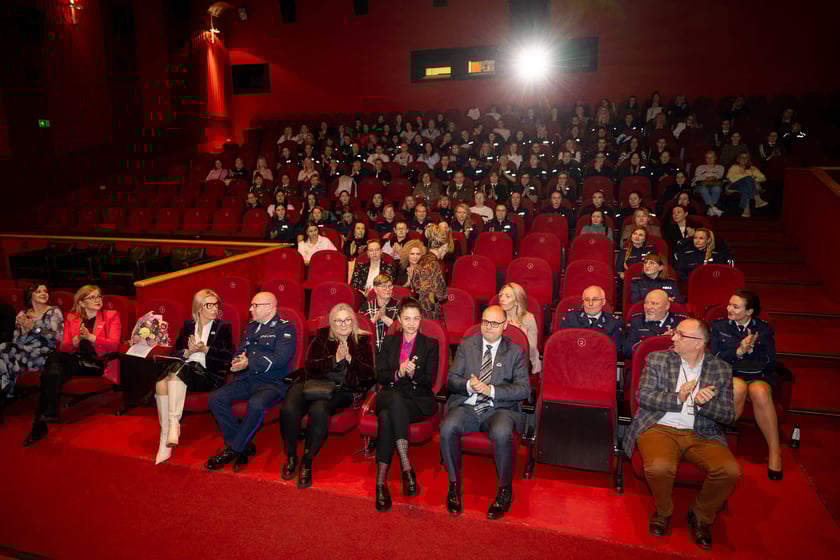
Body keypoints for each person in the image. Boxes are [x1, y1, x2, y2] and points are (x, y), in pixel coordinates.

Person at [622, 318, 740, 550]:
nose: (673, 338)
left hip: (702, 433)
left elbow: (728, 415)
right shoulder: (657, 359)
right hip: (659, 427)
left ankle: (701, 515)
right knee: (659, 467)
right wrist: (678, 397)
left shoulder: (721, 369)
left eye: (680, 335)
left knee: (730, 471)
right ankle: (664, 511)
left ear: (699, 343)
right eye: (675, 333)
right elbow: (643, 397)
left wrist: (704, 404)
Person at [439, 305, 529, 519]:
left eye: (494, 323)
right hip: (468, 406)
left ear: (505, 325)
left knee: (502, 432)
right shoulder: (467, 345)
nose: (488, 327)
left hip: (500, 408)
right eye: (485, 321)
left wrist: (492, 390)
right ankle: (454, 485)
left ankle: (505, 490)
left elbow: (524, 389)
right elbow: (451, 380)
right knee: (447, 427)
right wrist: (468, 385)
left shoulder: (515, 351)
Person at [279, 303, 374, 488]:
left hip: (341, 390)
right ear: (332, 322)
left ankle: (307, 461)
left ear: (353, 321)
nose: (343, 324)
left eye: (347, 320)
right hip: (312, 383)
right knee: (289, 408)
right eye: (338, 321)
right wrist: (334, 359)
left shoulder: (362, 342)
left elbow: (368, 375)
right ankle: (291, 456)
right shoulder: (322, 337)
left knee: (319, 410)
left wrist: (349, 359)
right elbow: (310, 365)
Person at [205, 292, 296, 471]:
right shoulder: (252, 327)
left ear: (269, 307)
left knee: (256, 404)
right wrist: (237, 362)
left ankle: (232, 450)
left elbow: (279, 359)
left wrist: (249, 362)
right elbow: (241, 351)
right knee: (216, 398)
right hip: (249, 378)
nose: (250, 309)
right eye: (251, 305)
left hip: (273, 382)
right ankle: (243, 446)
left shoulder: (285, 328)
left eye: (255, 305)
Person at [23, 285, 120, 447]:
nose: (98, 300)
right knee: (53, 365)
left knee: (50, 373)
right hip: (76, 360)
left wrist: (91, 337)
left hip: (97, 363)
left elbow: (114, 346)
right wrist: (74, 342)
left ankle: (46, 416)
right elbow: (64, 347)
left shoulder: (111, 316)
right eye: (92, 297)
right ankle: (45, 417)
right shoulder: (72, 317)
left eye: (99, 296)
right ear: (81, 303)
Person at [372, 298, 440, 511]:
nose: (411, 323)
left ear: (421, 320)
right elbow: (380, 375)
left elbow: (430, 381)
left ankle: (380, 483)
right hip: (389, 394)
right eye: (407, 318)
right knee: (394, 399)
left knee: (386, 417)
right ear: (399, 320)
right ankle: (406, 466)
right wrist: (398, 373)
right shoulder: (389, 342)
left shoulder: (430, 345)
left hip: (416, 400)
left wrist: (413, 374)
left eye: (416, 318)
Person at [153, 289, 234, 464]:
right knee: (161, 383)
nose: (215, 308)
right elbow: (174, 352)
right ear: (199, 307)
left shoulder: (223, 327)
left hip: (208, 375)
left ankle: (172, 426)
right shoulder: (188, 326)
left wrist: (205, 349)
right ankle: (167, 434)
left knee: (175, 374)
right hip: (185, 370)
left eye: (216, 304)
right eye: (209, 305)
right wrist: (188, 352)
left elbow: (229, 356)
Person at [710, 289, 781, 479]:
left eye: (735, 306)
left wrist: (751, 350)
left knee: (759, 390)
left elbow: (770, 363)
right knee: (739, 386)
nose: (729, 309)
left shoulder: (764, 329)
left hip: (758, 375)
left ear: (749, 312)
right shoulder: (719, 326)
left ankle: (775, 451)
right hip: (730, 374)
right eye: (729, 304)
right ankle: (718, 443)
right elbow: (714, 358)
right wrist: (739, 351)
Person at [0, 282, 63, 397]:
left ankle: (7, 391)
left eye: (45, 291)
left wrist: (34, 328)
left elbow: (59, 337)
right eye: (38, 291)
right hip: (24, 353)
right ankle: (6, 389)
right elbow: (15, 343)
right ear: (30, 295)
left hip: (45, 354)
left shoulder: (54, 311)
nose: (43, 293)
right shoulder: (22, 314)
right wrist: (24, 332)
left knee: (4, 348)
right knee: (4, 348)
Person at [622, 289, 686, 357]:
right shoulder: (636, 322)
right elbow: (627, 350)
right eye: (646, 303)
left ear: (667, 305)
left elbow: (689, 349)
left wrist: (668, 340)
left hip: (673, 362)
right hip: (644, 362)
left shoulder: (681, 323)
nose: (648, 307)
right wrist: (657, 340)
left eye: (654, 303)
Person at [558, 285, 623, 351]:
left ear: (603, 302)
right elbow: (562, 345)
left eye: (595, 299)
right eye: (586, 299)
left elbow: (613, 351)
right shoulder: (571, 318)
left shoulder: (614, 323)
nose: (590, 304)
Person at [497, 283, 540, 374]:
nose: (502, 299)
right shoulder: (497, 316)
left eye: (507, 296)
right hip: (501, 360)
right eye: (501, 295)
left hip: (524, 362)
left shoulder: (528, 319)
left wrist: (520, 335)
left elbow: (532, 351)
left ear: (517, 301)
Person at [411, 224, 448, 321]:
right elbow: (442, 295)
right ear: (443, 246)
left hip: (418, 309)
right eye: (447, 247)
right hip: (429, 312)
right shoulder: (434, 264)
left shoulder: (422, 259)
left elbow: (415, 285)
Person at [359, 274, 399, 352]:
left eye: (390, 286)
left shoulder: (400, 306)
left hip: (394, 350)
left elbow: (403, 329)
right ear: (375, 289)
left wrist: (383, 317)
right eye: (384, 286)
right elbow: (358, 330)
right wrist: (374, 319)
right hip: (370, 350)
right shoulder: (367, 306)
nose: (388, 289)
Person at [726, 153, 769, 218]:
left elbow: (763, 178)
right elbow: (731, 178)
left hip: (746, 187)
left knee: (745, 186)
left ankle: (746, 209)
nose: (744, 159)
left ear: (748, 160)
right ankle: (757, 198)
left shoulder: (753, 168)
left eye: (746, 158)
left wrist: (753, 179)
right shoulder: (734, 167)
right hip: (734, 186)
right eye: (742, 157)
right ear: (738, 159)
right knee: (748, 179)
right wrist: (748, 178)